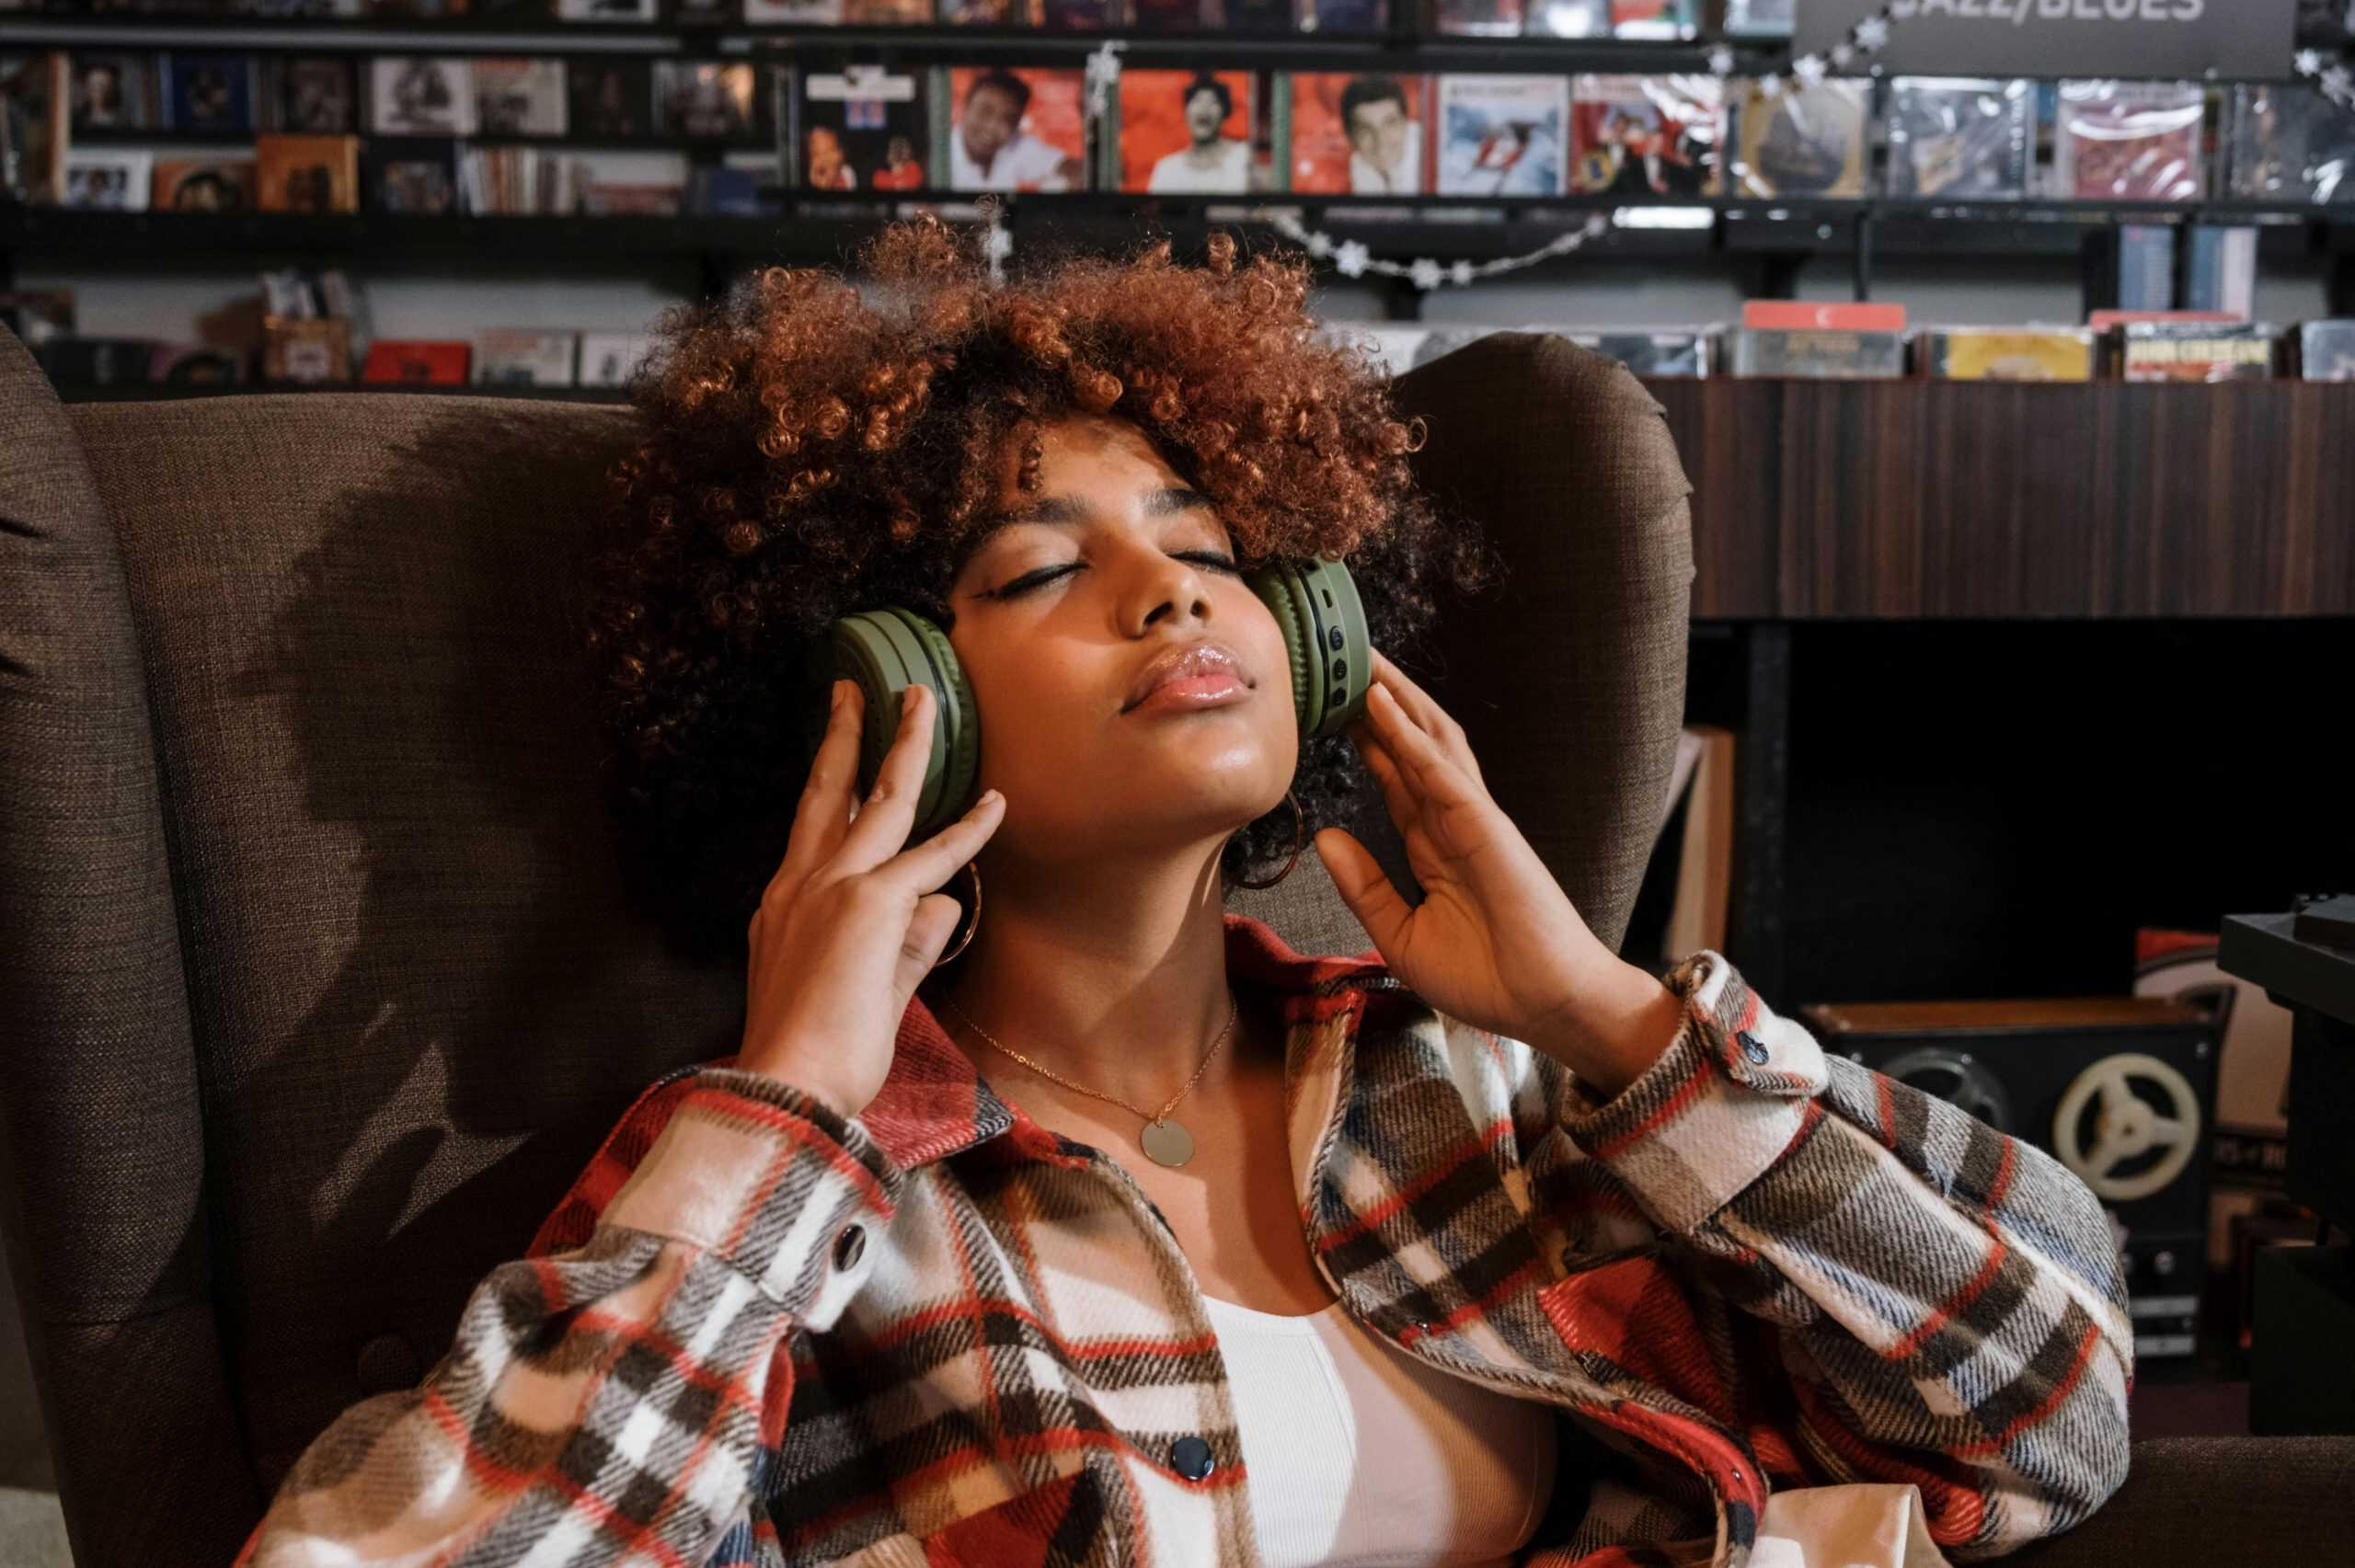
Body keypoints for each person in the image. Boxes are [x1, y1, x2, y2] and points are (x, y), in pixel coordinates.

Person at [232, 218, 2133, 1568]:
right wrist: (797, 1097)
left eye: (1212, 546)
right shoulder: (799, 1199)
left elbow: (2052, 1411)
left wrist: (1609, 1017)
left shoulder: (1479, 1087)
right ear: (886, 696)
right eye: (1041, 567)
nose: (1172, 596)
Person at [949, 68, 1081, 192]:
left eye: (1007, 119)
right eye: (984, 111)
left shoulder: (1015, 144)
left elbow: (1070, 167)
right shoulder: (940, 154)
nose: (992, 127)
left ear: (1016, 125)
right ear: (965, 108)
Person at [1147, 71, 1252, 194]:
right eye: (1197, 100)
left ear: (1225, 113)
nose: (1204, 107)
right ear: (1186, 111)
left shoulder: (1244, 157)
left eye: (1214, 101)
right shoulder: (1167, 169)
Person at [1339, 74, 1421, 195]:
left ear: (1406, 124)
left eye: (1390, 124)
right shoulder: (1353, 169)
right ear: (1350, 137)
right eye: (1365, 129)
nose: (1380, 141)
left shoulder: (1432, 160)